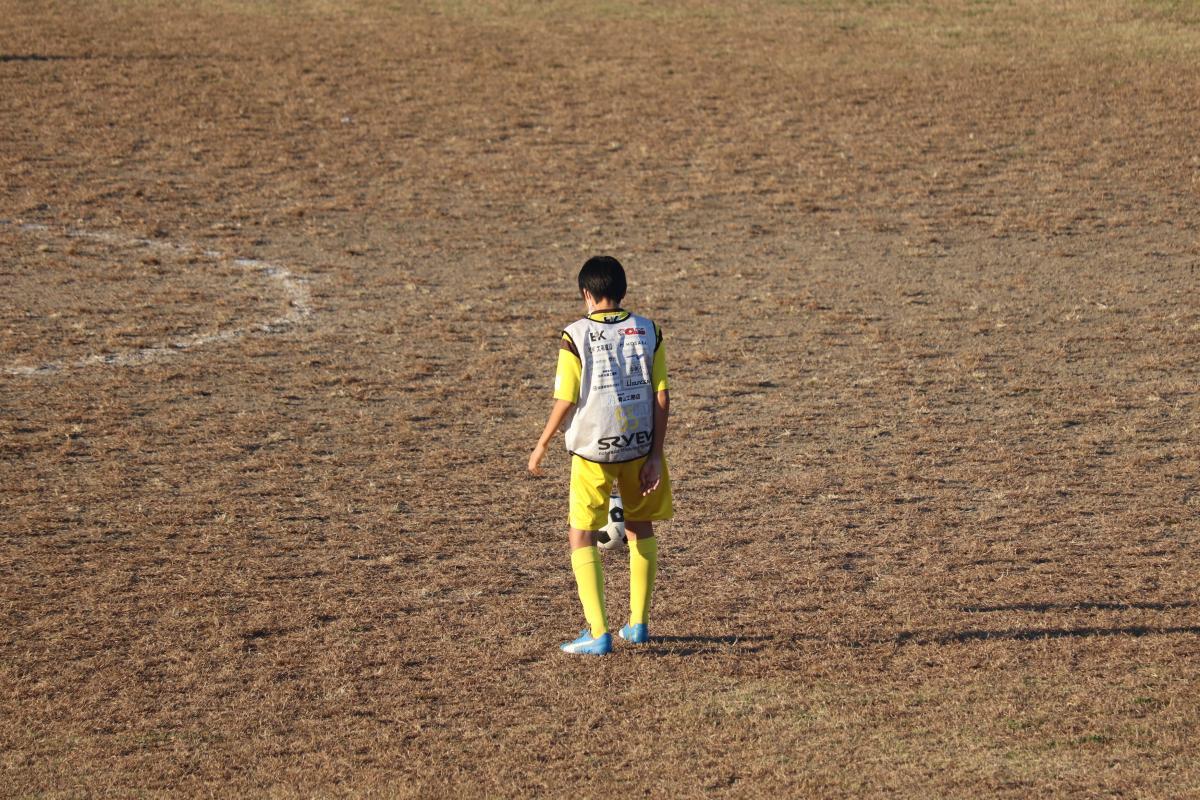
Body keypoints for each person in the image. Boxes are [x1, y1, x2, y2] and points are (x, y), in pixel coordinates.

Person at [528, 255, 673, 655]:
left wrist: (542, 443)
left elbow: (565, 398)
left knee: (581, 534)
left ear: (586, 295)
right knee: (640, 527)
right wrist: (656, 454)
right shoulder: (649, 330)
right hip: (640, 447)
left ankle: (598, 632)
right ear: (622, 291)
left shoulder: (575, 335)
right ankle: (638, 625)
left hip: (593, 452)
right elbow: (662, 397)